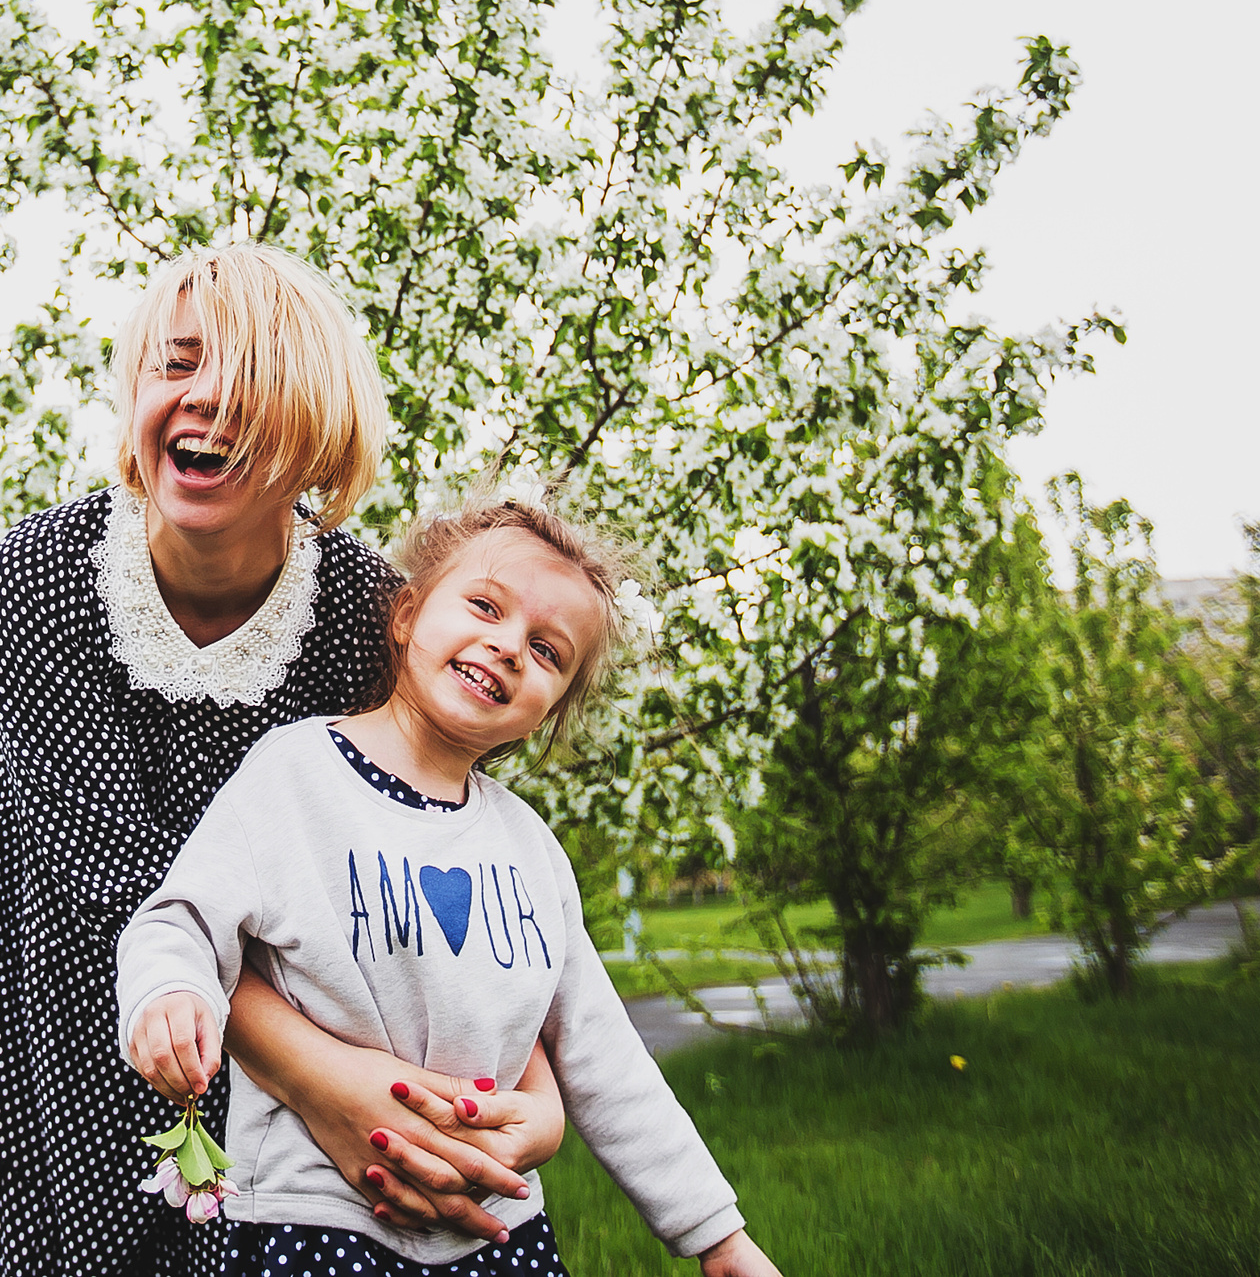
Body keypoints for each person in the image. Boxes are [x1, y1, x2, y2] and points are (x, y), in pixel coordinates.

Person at [0, 247, 566, 1277]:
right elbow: (118, 881)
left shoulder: (357, 613)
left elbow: (416, 836)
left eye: (248, 378)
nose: (204, 397)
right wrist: (321, 1081)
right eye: (174, 365)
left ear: (314, 431)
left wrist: (538, 1091)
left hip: (257, 964)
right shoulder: (43, 574)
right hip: (41, 947)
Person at [115, 494, 784, 1277]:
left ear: (547, 713)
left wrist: (718, 1238)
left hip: (495, 1230)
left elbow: (605, 1058)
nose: (506, 647)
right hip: (314, 1221)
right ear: (406, 616)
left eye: (547, 652)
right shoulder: (294, 776)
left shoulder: (528, 849)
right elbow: (180, 920)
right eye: (484, 606)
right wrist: (170, 994)